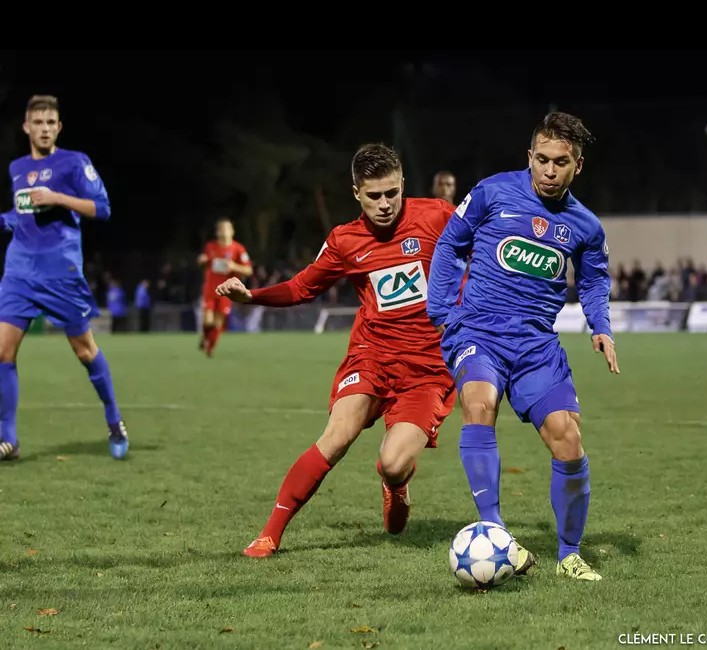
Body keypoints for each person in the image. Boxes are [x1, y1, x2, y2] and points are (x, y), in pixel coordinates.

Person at [217, 144, 522, 566]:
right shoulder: (345, 240)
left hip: (428, 368)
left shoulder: (437, 216)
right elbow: (302, 287)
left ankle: (395, 485)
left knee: (392, 463)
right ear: (356, 193)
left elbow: (489, 251)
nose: (384, 204)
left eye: (392, 193)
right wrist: (252, 296)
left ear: (403, 185)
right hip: (371, 355)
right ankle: (270, 534)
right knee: (336, 436)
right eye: (374, 196)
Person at [426, 111, 620, 582]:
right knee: (478, 402)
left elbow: (594, 280)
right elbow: (450, 244)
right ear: (529, 156)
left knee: (567, 439)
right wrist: (441, 310)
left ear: (578, 166)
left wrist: (600, 325)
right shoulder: (491, 192)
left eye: (561, 162)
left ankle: (569, 555)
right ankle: (495, 532)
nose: (549, 171)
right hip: (479, 331)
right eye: (542, 160)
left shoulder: (586, 225)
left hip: (536, 345)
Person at [0, 95, 128, 461]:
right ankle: (8, 438)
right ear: (26, 127)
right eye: (37, 123)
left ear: (58, 127)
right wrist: (6, 219)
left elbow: (102, 209)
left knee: (84, 351)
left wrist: (58, 197)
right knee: (3, 351)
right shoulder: (17, 167)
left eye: (50, 123)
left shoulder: (74, 163)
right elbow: (22, 213)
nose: (44, 129)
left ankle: (114, 421)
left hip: (61, 273)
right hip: (19, 272)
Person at [196, 218, 252, 356]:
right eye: (221, 229)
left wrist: (234, 266)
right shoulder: (210, 247)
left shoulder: (238, 249)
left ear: (232, 231)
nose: (224, 231)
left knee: (218, 321)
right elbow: (203, 262)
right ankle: (206, 337)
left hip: (227, 290)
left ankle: (210, 348)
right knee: (207, 320)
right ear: (217, 232)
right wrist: (201, 261)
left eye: (226, 228)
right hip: (210, 289)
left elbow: (248, 270)